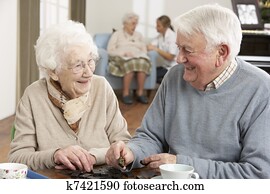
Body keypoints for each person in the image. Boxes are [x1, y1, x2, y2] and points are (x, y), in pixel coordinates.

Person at [105, 4, 270, 178]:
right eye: (179, 48)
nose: (178, 58)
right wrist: (132, 152)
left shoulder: (262, 91)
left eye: (188, 50)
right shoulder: (174, 76)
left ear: (221, 52)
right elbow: (151, 136)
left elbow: (258, 174)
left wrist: (182, 165)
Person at [8, 20, 131, 172]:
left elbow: (124, 145)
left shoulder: (101, 88)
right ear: (53, 71)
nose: (88, 72)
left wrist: (92, 157)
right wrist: (54, 155)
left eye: (90, 61)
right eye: (78, 65)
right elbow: (17, 158)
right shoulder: (33, 96)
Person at [107, 12, 151, 105]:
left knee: (143, 63)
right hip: (122, 56)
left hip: (137, 56)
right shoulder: (117, 34)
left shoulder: (138, 35)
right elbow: (110, 50)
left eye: (136, 23)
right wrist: (123, 53)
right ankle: (126, 94)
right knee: (130, 64)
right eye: (132, 24)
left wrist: (139, 52)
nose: (135, 26)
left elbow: (144, 50)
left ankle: (140, 93)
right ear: (125, 24)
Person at [147, 15, 178, 84]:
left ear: (165, 27)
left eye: (158, 26)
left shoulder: (172, 37)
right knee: (149, 73)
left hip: (174, 67)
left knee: (152, 76)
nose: (156, 27)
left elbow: (170, 57)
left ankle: (169, 87)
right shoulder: (160, 36)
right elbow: (150, 46)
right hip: (165, 66)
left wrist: (156, 49)